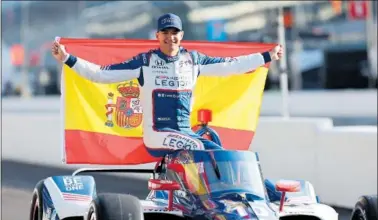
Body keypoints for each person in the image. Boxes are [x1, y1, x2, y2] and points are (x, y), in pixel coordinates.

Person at [52, 13, 283, 158]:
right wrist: (67, 59)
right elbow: (100, 75)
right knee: (210, 152)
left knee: (230, 155)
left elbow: (232, 66)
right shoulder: (145, 62)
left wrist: (266, 57)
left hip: (186, 134)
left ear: (181, 35)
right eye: (165, 32)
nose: (170, 37)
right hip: (156, 135)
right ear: (157, 35)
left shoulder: (194, 60)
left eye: (174, 33)